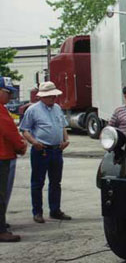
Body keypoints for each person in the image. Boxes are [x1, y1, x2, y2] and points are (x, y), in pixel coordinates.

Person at [19, 81, 71, 223]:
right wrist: (34, 142)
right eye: (49, 96)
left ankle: (55, 210)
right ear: (41, 97)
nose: (52, 98)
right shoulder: (33, 110)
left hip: (56, 150)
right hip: (41, 151)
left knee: (55, 182)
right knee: (38, 182)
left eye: (53, 95)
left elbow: (63, 126)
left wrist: (66, 139)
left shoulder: (57, 109)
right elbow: (25, 130)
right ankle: (37, 212)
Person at [0, 77, 27, 242]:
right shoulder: (1, 111)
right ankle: (1, 230)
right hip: (2, 156)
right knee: (1, 195)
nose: (10, 97)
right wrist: (20, 146)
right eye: (8, 93)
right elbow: (10, 132)